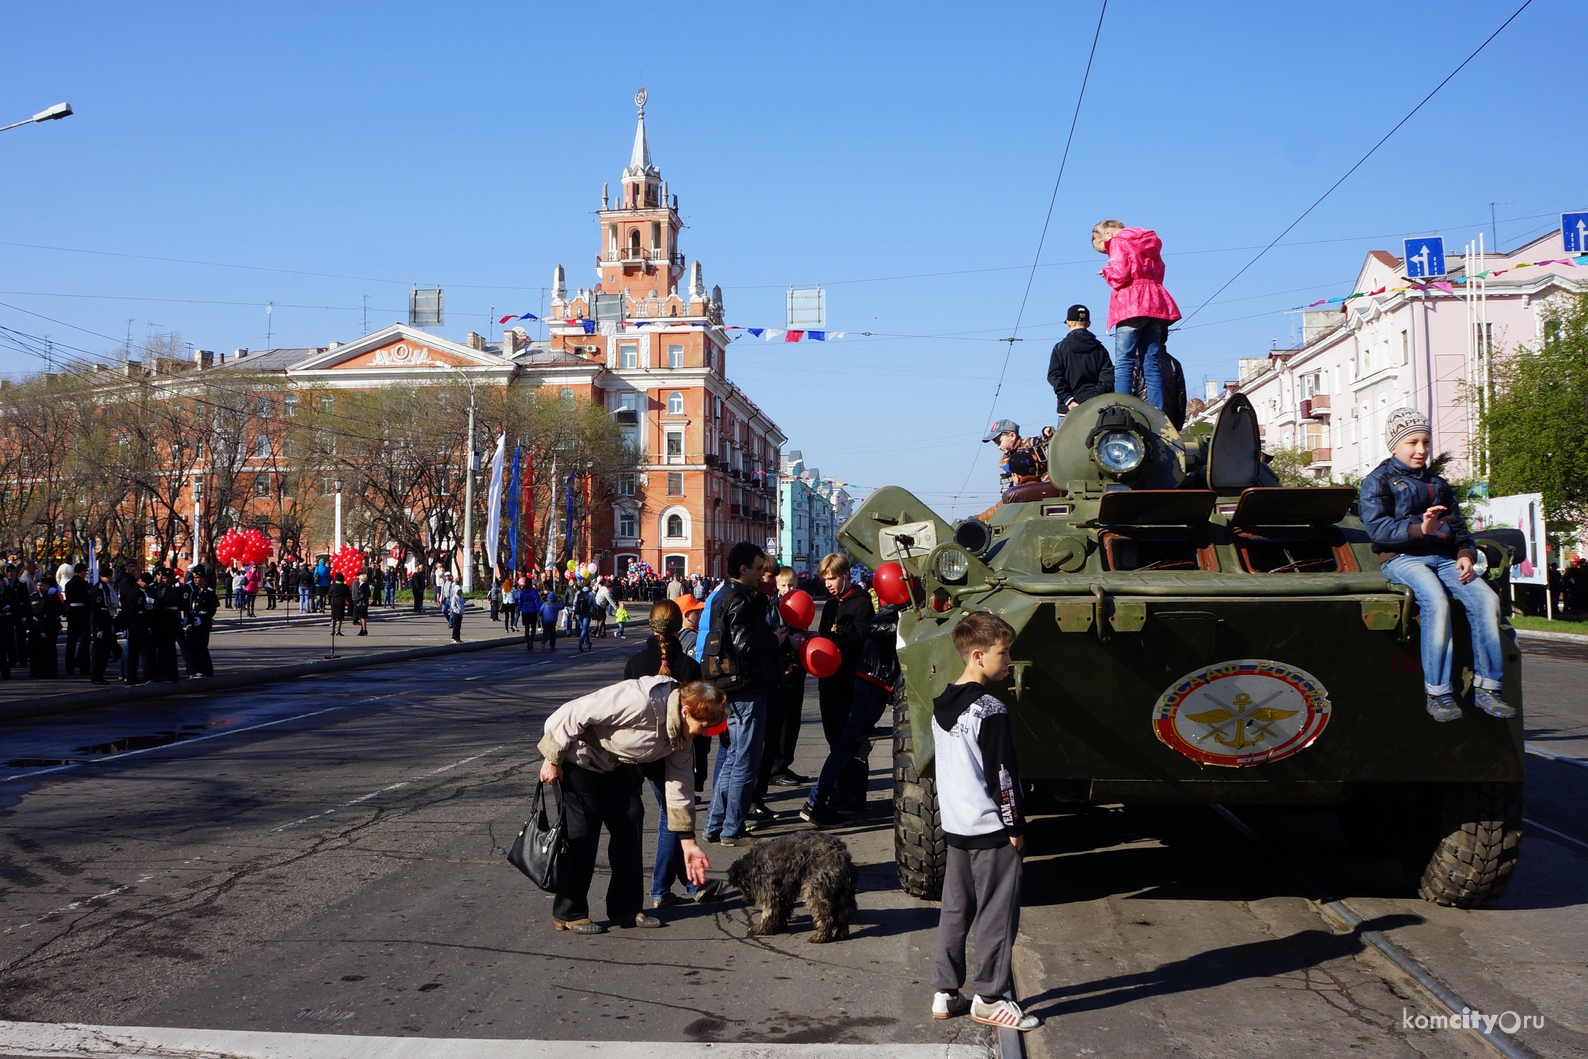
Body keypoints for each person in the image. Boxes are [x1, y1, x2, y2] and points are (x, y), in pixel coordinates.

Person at [538, 677, 729, 933]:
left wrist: (688, 841)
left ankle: (625, 909)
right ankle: (569, 912)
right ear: (685, 712)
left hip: (609, 762)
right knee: (584, 824)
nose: (704, 733)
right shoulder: (639, 701)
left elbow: (680, 785)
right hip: (575, 755)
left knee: (631, 816)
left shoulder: (682, 737)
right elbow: (572, 713)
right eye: (703, 726)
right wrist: (553, 757)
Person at [1359, 409, 1513, 723]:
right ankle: (1439, 693)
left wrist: (1466, 554)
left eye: (1426, 441)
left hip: (1444, 560)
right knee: (1437, 602)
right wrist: (1420, 530)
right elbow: (1377, 529)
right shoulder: (1379, 480)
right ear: (1393, 446)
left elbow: (1459, 529)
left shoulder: (1438, 484)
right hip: (1400, 558)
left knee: (1486, 599)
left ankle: (1487, 688)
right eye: (1412, 442)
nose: (1421, 449)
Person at [929, 611, 1039, 1031]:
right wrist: (1015, 827)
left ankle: (946, 991)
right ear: (978, 655)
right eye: (1003, 652)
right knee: (997, 913)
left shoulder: (943, 703)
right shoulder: (989, 709)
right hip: (991, 830)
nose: (1009, 661)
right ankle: (991, 998)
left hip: (956, 828)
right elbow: (1003, 777)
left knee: (955, 910)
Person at [622, 600, 724, 910]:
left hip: (640, 753)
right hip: (676, 754)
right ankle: (663, 888)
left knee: (671, 816)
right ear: (679, 626)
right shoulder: (689, 667)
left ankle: (690, 882)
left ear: (651, 626)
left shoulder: (635, 663)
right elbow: (701, 719)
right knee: (672, 817)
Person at [701, 542, 786, 845]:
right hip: (746, 688)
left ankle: (714, 824)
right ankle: (731, 828)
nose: (763, 573)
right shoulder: (741, 599)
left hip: (726, 686)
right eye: (759, 567)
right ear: (743, 569)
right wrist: (775, 640)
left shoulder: (721, 594)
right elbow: (745, 646)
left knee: (728, 757)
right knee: (745, 760)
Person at [803, 599, 901, 826]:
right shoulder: (897, 607)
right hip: (873, 684)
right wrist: (905, 624)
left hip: (874, 683)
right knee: (846, 744)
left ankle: (835, 797)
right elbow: (871, 628)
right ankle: (815, 802)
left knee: (851, 744)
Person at [1093, 219, 1181, 415]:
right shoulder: (1149, 241)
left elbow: (1120, 274)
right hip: (1154, 303)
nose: (1107, 251)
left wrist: (1107, 271)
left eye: (1104, 249)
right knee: (1151, 362)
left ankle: (1124, 409)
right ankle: (1157, 411)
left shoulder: (1117, 241)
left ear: (1107, 234)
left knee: (1125, 361)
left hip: (1130, 304)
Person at [808, 553, 873, 816]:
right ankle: (841, 789)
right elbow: (825, 634)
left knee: (852, 741)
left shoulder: (861, 603)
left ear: (845, 574)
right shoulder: (832, 604)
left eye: (832, 578)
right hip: (828, 682)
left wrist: (833, 643)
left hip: (850, 682)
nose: (828, 584)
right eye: (825, 579)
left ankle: (856, 793)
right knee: (834, 739)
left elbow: (860, 640)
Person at [758, 566, 812, 805]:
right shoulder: (774, 609)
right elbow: (774, 639)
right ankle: (776, 769)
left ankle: (785, 764)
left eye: (792, 585)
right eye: (784, 585)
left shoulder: (799, 603)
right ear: (777, 587)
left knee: (793, 722)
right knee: (782, 723)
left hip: (796, 669)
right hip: (783, 671)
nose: (789, 589)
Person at [1047, 304, 1115, 415]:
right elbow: (1108, 377)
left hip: (1068, 410)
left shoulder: (1059, 348)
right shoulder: (1100, 349)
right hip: (1097, 408)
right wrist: (1093, 399)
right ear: (1089, 323)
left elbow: (1054, 376)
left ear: (1068, 322)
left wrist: (1068, 400)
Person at [981, 420, 1051, 496]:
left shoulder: (1029, 443)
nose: (999, 447)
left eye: (999, 442)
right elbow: (1006, 487)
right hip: (1026, 492)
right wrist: (1006, 498)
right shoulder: (1004, 461)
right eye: (996, 444)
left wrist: (1046, 431)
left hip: (1047, 486)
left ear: (1012, 436)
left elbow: (1044, 439)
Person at [188, 571, 218, 678]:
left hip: (203, 622)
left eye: (198, 578)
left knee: (201, 647)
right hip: (193, 621)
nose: (196, 580)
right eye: (194, 578)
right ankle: (194, 670)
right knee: (191, 647)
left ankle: (206, 670)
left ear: (203, 579)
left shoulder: (209, 592)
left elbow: (212, 610)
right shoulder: (193, 591)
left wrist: (204, 619)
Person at [62, 563, 90, 677]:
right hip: (81, 612)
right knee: (84, 640)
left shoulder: (68, 584)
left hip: (72, 613)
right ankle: (83, 665)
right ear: (81, 572)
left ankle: (69, 666)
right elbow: (87, 599)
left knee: (71, 641)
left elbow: (67, 599)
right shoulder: (83, 584)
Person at [440, 572, 464, 642]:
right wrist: (440, 599)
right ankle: (450, 622)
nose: (447, 577)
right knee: (443, 611)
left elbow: (456, 588)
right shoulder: (444, 583)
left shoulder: (453, 583)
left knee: (451, 613)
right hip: (446, 599)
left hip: (451, 599)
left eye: (448, 576)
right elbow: (442, 591)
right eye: (446, 576)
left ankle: (451, 624)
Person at [518, 577, 541, 650]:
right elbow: (537, 600)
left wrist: (521, 608)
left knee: (526, 627)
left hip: (525, 610)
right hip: (532, 610)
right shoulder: (534, 591)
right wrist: (539, 609)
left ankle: (527, 642)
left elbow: (519, 601)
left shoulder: (521, 591)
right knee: (533, 627)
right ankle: (531, 641)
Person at [574, 581, 595, 652]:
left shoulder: (578, 593)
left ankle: (588, 643)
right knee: (584, 629)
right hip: (587, 613)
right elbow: (594, 604)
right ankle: (580, 644)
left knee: (584, 628)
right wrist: (595, 610)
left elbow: (575, 602)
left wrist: (573, 612)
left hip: (579, 613)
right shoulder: (590, 594)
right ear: (589, 585)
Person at [352, 571, 372, 636]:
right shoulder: (366, 585)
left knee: (362, 617)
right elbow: (369, 594)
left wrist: (359, 598)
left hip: (362, 602)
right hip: (364, 602)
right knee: (362, 617)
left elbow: (362, 594)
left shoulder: (363, 585)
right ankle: (362, 629)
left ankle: (364, 630)